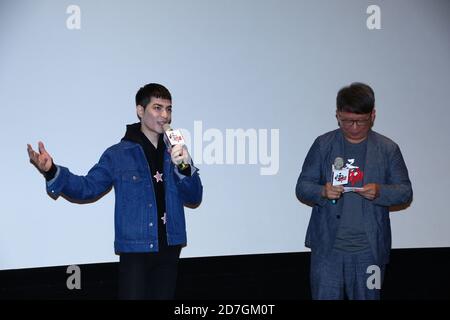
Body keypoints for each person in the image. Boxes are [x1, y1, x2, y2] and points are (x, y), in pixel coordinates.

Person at [27, 83, 203, 299]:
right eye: (157, 108)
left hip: (170, 248)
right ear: (140, 110)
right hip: (135, 251)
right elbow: (87, 188)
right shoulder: (118, 154)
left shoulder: (176, 152)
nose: (165, 115)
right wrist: (51, 170)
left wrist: (184, 167)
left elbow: (195, 196)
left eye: (169, 109)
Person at [295, 82, 412, 300]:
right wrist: (322, 191)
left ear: (373, 115)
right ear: (337, 115)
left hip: (371, 252)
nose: (355, 127)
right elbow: (302, 187)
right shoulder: (323, 145)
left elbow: (405, 192)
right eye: (348, 121)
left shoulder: (388, 149)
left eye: (362, 120)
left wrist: (379, 192)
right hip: (327, 251)